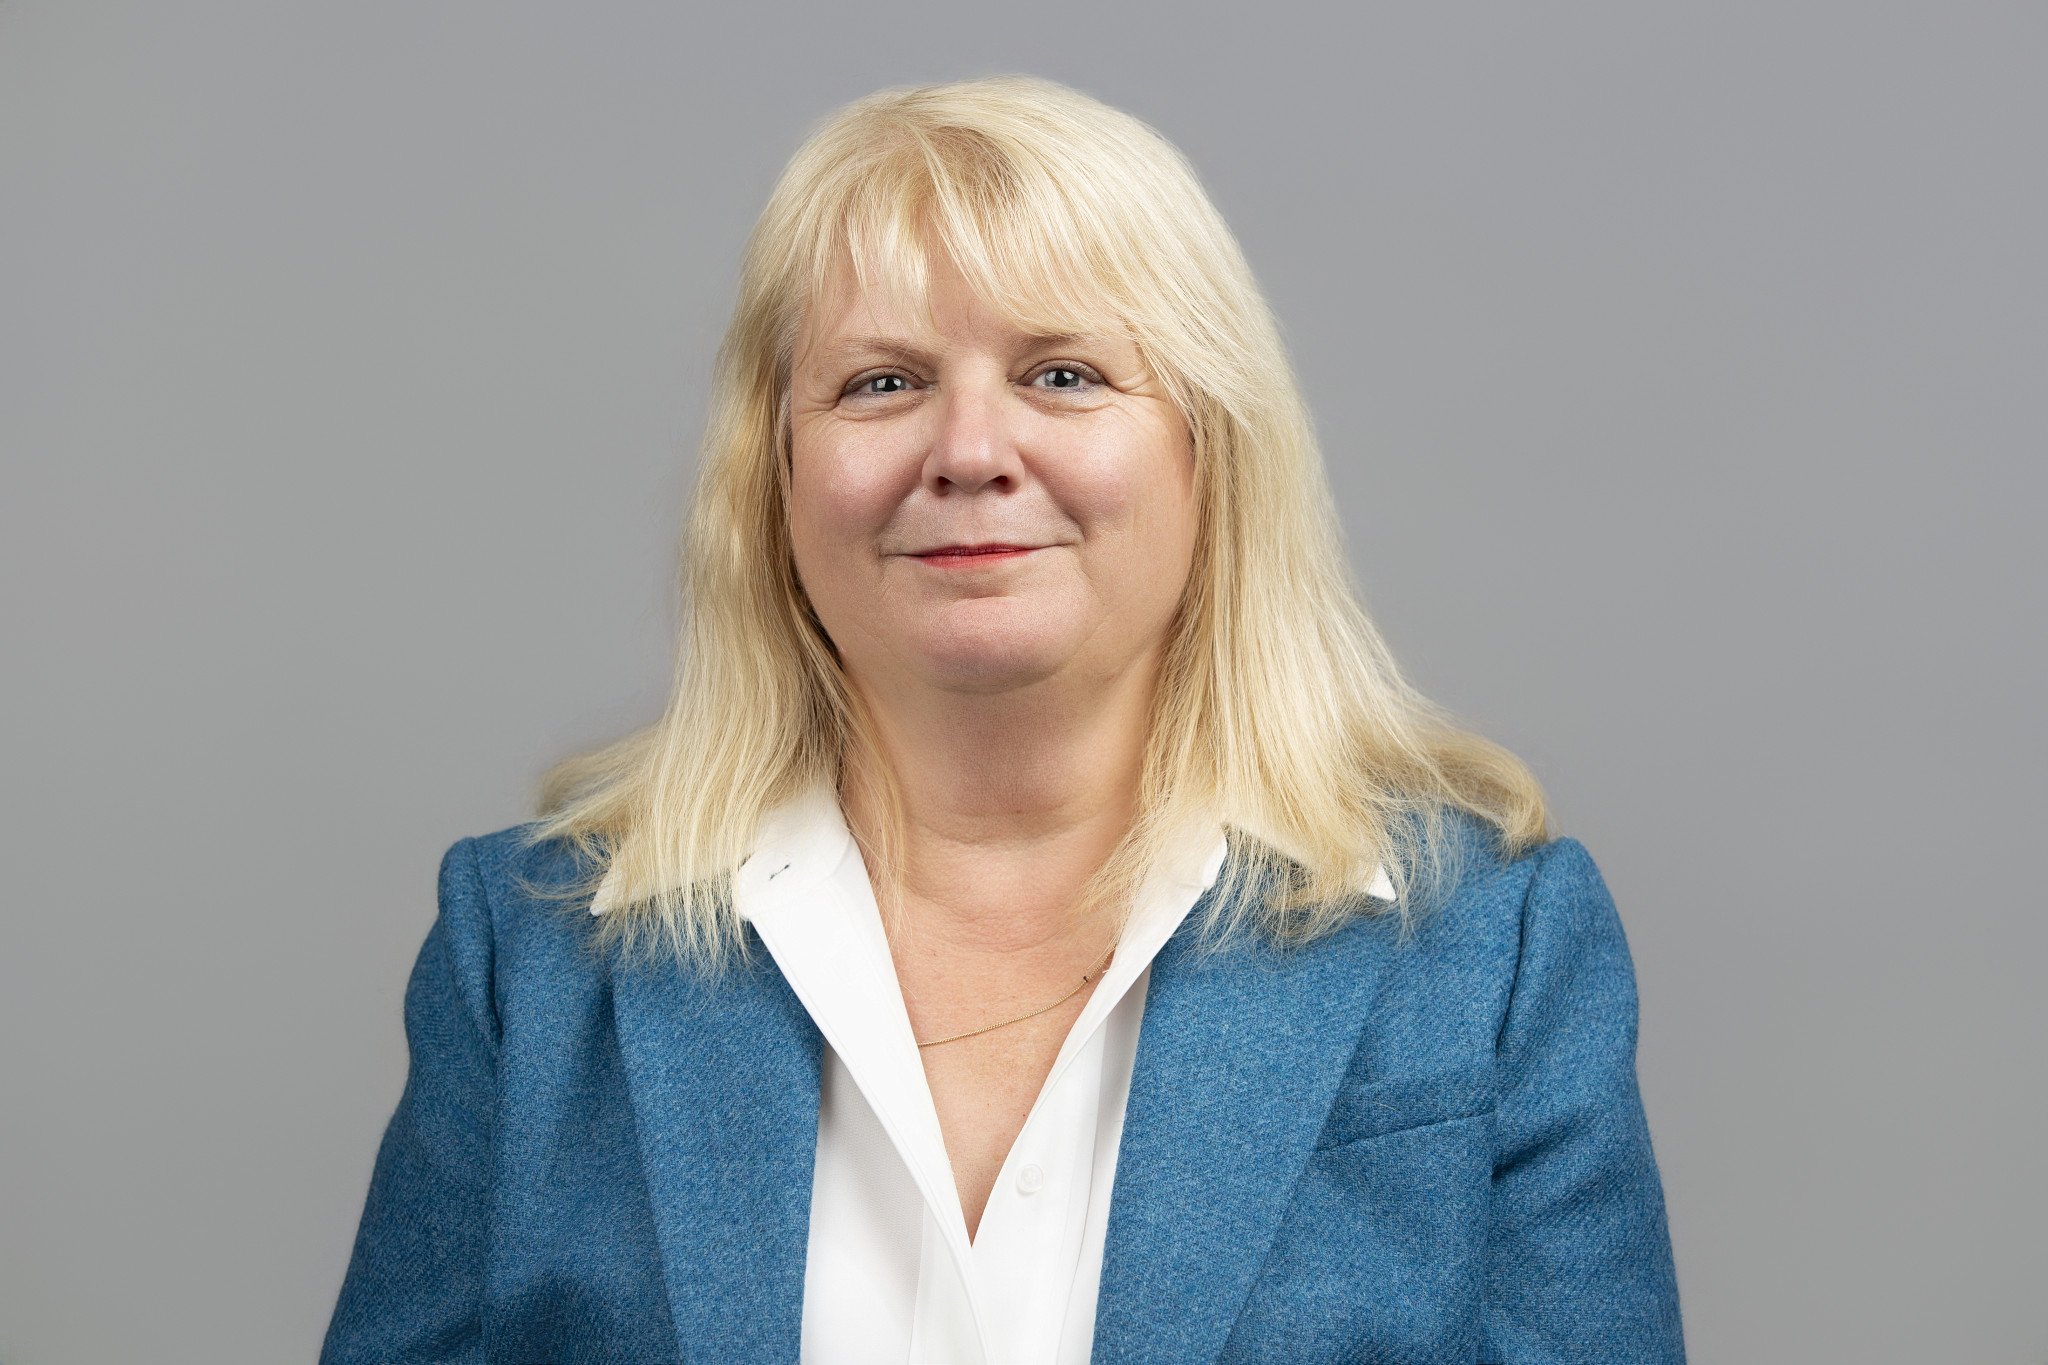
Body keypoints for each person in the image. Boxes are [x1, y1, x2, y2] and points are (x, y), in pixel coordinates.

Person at [320, 73, 1685, 1364]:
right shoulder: (534, 958)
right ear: (774, 476)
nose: (970, 452)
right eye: (882, 382)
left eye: (1064, 375)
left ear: (1210, 453)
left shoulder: (1489, 955)